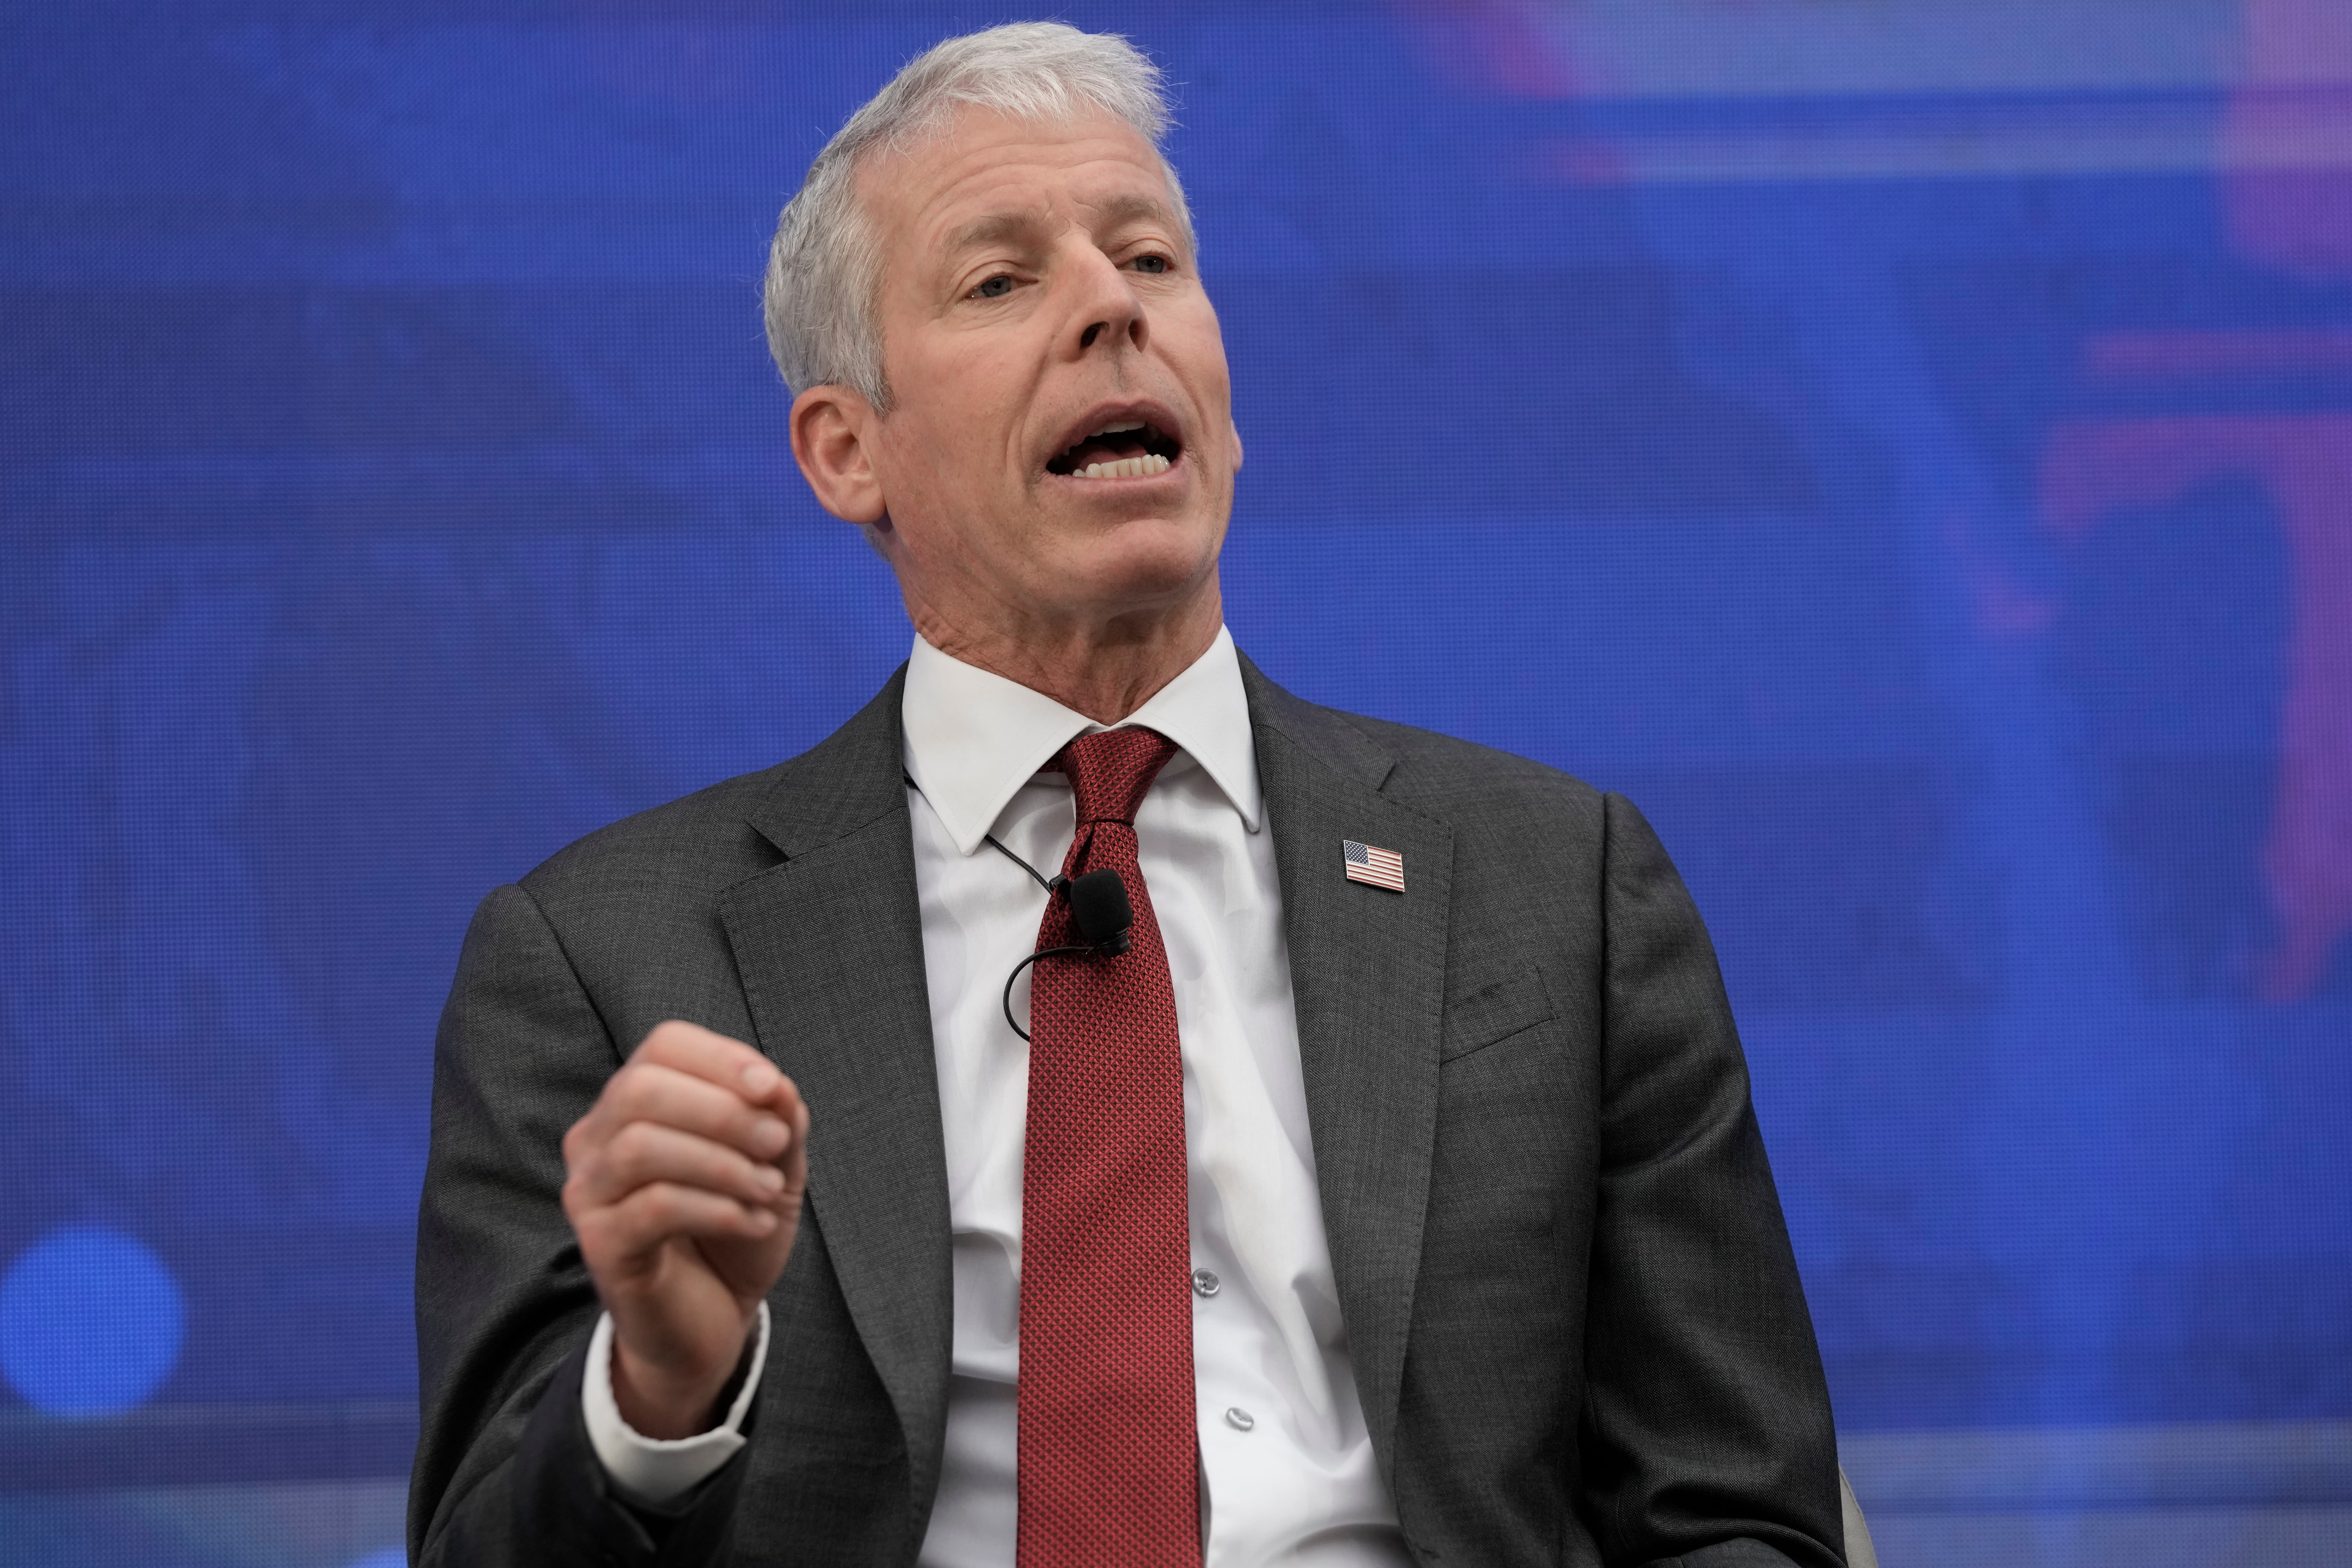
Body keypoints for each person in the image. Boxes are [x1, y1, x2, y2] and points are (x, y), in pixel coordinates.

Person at [408, 22, 1846, 1568]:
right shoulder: (608, 960)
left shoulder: (1555, 886)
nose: (1113, 305)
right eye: (1000, 281)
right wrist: (656, 1399)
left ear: (1226, 401)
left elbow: (1734, 1516)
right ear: (846, 451)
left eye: (1152, 258)